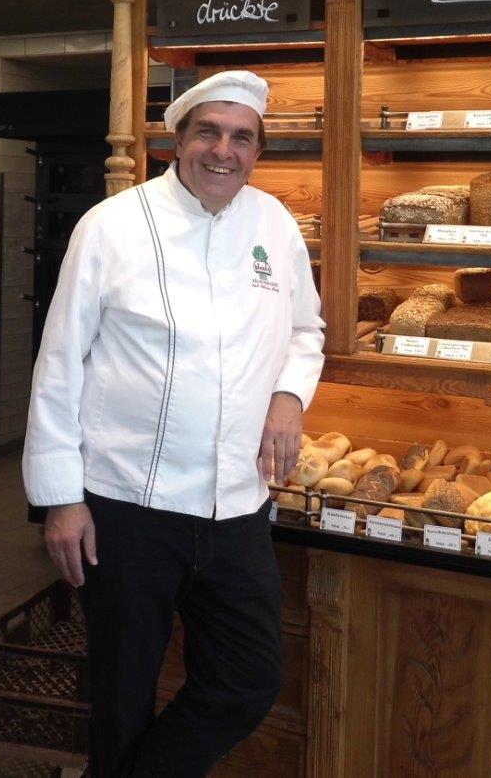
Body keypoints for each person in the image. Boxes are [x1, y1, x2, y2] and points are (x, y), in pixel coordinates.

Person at [22, 70, 324, 777]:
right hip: (127, 505)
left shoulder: (274, 226)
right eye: (209, 133)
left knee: (247, 678)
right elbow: (59, 365)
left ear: (257, 151)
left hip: (236, 504)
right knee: (121, 698)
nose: (224, 150)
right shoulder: (111, 227)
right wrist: (61, 498)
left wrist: (289, 396)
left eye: (241, 137)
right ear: (178, 140)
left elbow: (308, 330)